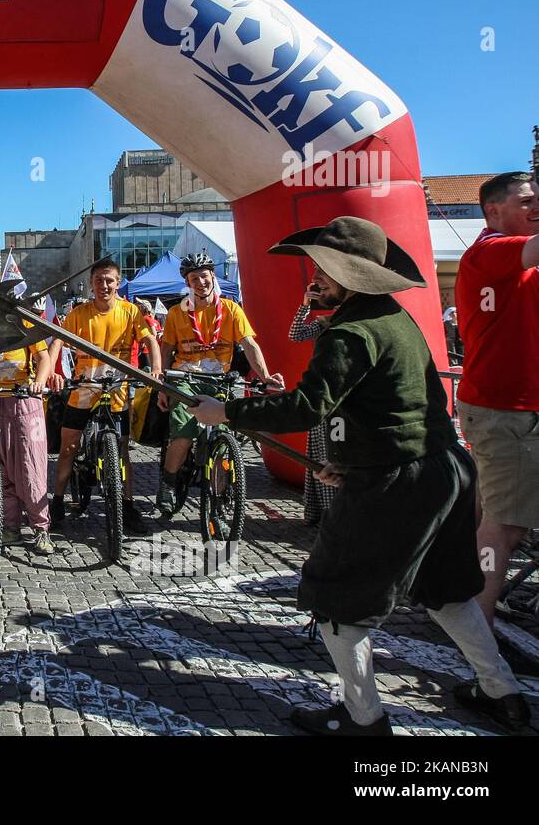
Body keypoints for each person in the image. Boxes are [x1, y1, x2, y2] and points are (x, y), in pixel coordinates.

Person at [191, 216, 528, 735]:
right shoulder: (394, 318)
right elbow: (393, 408)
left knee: (335, 599)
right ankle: (501, 691)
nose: (315, 277)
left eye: (325, 269)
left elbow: (306, 408)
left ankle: (362, 717)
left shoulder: (349, 332)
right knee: (448, 591)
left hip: (398, 485)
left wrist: (228, 413)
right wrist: (350, 458)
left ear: (355, 277)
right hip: (443, 473)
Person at [454, 171, 539, 632]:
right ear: (493, 211)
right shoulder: (492, 250)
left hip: (511, 406)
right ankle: (478, 631)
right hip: (506, 409)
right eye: (527, 200)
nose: (536, 207)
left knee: (494, 518)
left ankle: (466, 608)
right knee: (504, 527)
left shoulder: (517, 263)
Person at [155, 252, 283, 516]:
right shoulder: (178, 314)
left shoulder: (231, 310)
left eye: (204, 276)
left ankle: (219, 493)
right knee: (184, 431)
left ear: (213, 276)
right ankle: (168, 483)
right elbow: (166, 349)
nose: (200, 282)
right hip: (186, 378)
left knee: (225, 437)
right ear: (188, 284)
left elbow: (249, 344)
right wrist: (163, 384)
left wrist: (265, 376)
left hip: (219, 380)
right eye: (194, 278)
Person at [47, 260, 160, 533]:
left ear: (118, 282)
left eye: (109, 280)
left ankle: (128, 506)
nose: (104, 285)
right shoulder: (78, 313)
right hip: (84, 388)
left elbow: (150, 341)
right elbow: (58, 340)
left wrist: (155, 369)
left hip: (117, 389)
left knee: (122, 451)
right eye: (99, 280)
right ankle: (58, 501)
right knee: (68, 447)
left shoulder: (131, 312)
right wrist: (51, 371)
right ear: (91, 283)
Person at [0, 308, 58, 554]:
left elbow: (44, 359)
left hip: (24, 402)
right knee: (3, 471)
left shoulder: (24, 326)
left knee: (31, 469)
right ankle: (10, 528)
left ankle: (41, 529)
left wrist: (39, 383)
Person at [289, 291, 335, 526]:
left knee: (339, 457)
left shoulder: (361, 324)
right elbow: (295, 334)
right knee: (320, 455)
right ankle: (325, 514)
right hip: (322, 396)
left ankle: (339, 515)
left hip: (346, 399)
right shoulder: (325, 323)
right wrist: (305, 304)